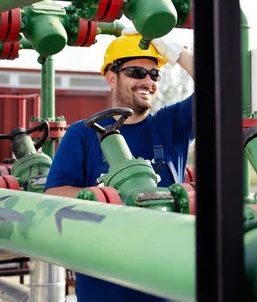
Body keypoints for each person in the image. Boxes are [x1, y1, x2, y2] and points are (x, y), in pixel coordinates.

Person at [45, 28, 194, 302]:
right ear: (112, 78)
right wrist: (105, 198)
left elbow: (224, 88)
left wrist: (176, 51)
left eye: (154, 74)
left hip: (169, 282)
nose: (147, 81)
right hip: (104, 284)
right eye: (137, 72)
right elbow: (54, 195)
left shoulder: (171, 125)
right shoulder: (82, 134)